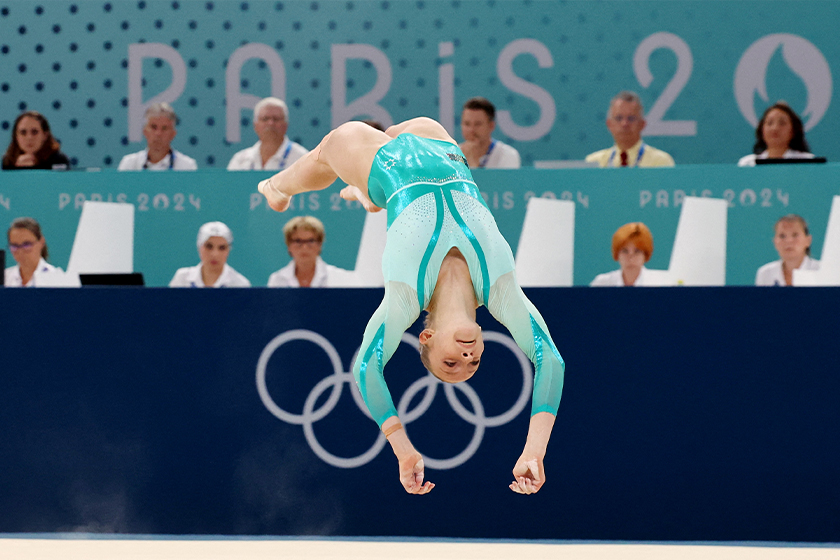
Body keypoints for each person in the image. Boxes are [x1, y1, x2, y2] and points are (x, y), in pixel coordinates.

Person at [257, 117, 564, 496]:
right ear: (484, 341)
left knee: (332, 149)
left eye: (451, 362)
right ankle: (368, 194)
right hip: (443, 149)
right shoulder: (501, 290)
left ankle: (276, 186)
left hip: (389, 164)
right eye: (475, 362)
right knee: (405, 134)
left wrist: (403, 450)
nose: (467, 357)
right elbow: (550, 359)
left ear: (427, 336)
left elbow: (365, 368)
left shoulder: (405, 297)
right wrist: (535, 451)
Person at [585, 91, 675, 168]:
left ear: (642, 124)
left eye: (631, 118)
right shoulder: (594, 163)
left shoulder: (661, 162)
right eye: (619, 118)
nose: (624, 124)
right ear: (609, 124)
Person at [227, 97, 308, 170]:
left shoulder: (302, 159)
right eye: (265, 119)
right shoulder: (240, 160)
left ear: (286, 125)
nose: (270, 123)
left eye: (276, 119)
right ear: (255, 125)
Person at [267, 216, 351, 287]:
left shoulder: (338, 277)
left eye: (310, 241)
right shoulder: (277, 280)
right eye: (298, 241)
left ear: (320, 244)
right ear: (289, 245)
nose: (304, 247)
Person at [118, 103, 197, 171]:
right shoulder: (129, 165)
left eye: (164, 128)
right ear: (145, 131)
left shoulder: (187, 167)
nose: (158, 133)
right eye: (153, 127)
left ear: (173, 134)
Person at [169, 221, 251, 287]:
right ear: (199, 247)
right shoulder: (182, 279)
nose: (215, 254)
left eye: (222, 248)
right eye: (209, 246)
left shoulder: (240, 285)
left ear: (228, 251)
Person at [738, 102, 814, 167]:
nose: (775, 128)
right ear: (761, 130)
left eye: (782, 123)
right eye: (769, 123)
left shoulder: (807, 162)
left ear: (793, 131)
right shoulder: (748, 164)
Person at [755, 214, 819, 286]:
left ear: (808, 240)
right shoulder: (765, 274)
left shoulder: (821, 270)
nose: (788, 241)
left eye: (795, 235)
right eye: (782, 236)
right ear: (775, 242)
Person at [459, 97, 521, 169]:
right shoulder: (451, 154)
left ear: (491, 126)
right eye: (467, 124)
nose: (471, 130)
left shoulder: (508, 155)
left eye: (478, 124)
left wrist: (472, 163)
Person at [4, 217, 65, 286]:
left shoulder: (56, 278)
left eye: (26, 244)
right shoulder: (4, 278)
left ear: (41, 242)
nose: (20, 251)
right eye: (15, 246)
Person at [2, 111, 71, 170]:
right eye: (23, 132)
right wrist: (17, 169)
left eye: (35, 132)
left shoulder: (59, 160)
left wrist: (34, 167)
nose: (29, 138)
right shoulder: (8, 161)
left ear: (45, 135)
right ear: (16, 137)